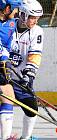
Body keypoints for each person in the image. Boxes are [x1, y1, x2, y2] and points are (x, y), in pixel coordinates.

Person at [9, 0, 44, 139]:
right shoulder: (8, 26)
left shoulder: (37, 31)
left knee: (32, 108)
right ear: (22, 15)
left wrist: (29, 75)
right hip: (4, 76)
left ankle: (26, 137)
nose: (35, 21)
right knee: (6, 106)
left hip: (20, 78)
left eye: (37, 18)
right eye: (32, 17)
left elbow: (35, 55)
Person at [0, 0, 23, 139]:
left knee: (8, 96)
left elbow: (7, 46)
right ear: (7, 8)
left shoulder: (12, 23)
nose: (17, 13)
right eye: (15, 9)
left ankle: (5, 137)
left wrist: (6, 60)